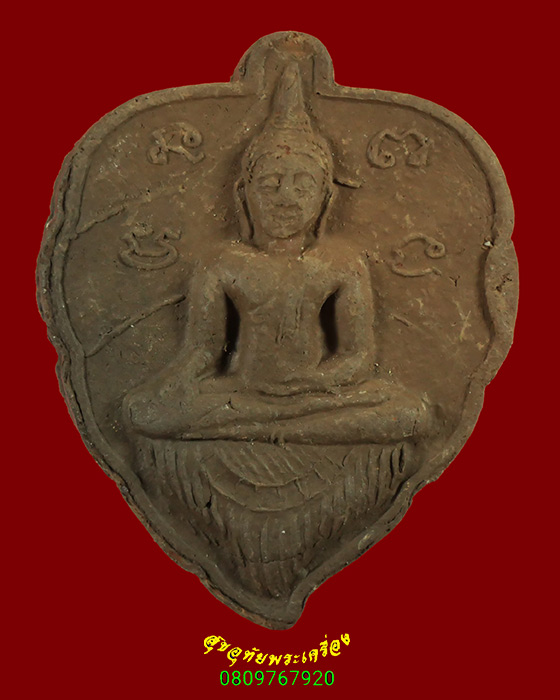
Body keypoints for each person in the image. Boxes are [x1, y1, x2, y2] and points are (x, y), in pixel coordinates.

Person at [123, 63, 431, 445]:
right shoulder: (222, 263)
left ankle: (262, 431)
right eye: (270, 185)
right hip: (244, 391)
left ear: (326, 198)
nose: (286, 199)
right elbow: (202, 352)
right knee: (143, 411)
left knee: (408, 412)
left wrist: (313, 382)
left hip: (314, 394)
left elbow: (358, 357)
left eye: (303, 187)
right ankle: (280, 430)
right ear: (243, 194)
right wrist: (171, 386)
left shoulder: (342, 264)